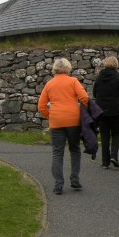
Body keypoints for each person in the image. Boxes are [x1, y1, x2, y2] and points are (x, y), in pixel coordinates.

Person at [38, 58, 89, 195]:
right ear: (68, 68)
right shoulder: (73, 81)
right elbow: (84, 97)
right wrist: (85, 112)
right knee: (75, 149)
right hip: (73, 120)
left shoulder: (49, 84)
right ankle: (74, 179)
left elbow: (41, 106)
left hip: (56, 121)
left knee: (57, 152)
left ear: (55, 68)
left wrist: (51, 116)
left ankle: (58, 185)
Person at [92, 56, 119, 169]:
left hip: (101, 109)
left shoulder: (99, 77)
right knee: (116, 133)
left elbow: (94, 93)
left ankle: (105, 162)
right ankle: (114, 156)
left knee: (105, 135)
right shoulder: (117, 77)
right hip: (114, 109)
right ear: (116, 64)